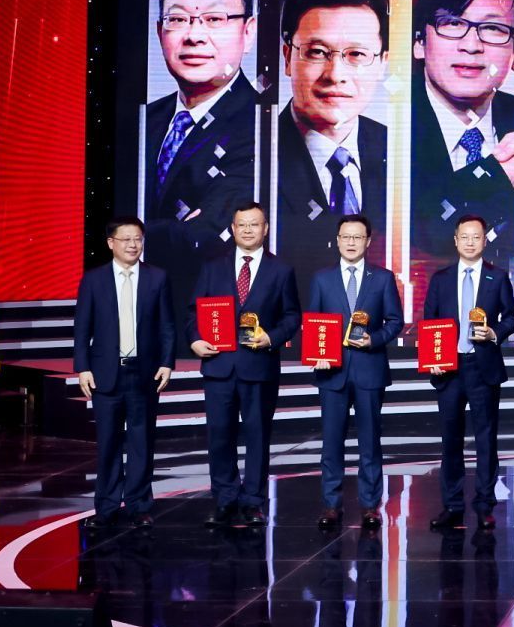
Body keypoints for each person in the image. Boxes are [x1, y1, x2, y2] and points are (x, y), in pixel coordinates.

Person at [140, 0, 262, 307]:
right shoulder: (146, 119)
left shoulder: (263, 125)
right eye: (178, 19)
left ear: (248, 31)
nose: (194, 35)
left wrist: (123, 232)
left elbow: (204, 236)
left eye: (214, 19)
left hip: (210, 314)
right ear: (159, 31)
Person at [184, 202, 301, 530]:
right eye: (242, 225)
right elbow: (193, 312)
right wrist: (195, 340)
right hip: (218, 364)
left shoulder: (281, 270)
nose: (248, 230)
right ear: (233, 229)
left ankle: (253, 502)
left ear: (266, 229)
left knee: (258, 436)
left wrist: (272, 338)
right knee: (219, 435)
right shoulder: (212, 267)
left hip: (259, 365)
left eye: (255, 224)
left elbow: (292, 316)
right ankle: (224, 499)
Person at [411, 0, 514, 262]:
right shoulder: (385, 126)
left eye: (493, 28)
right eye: (452, 24)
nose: (471, 45)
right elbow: (414, 230)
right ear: (419, 43)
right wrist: (492, 176)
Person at [276, 0, 390, 267]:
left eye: (356, 54)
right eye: (317, 52)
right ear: (287, 57)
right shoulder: (254, 154)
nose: (335, 75)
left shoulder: (401, 152)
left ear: (382, 63)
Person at [73, 215, 177, 529]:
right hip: (106, 373)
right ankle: (106, 507)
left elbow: (167, 325)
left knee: (141, 441)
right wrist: (82, 367)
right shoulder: (94, 280)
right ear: (111, 243)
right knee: (108, 442)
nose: (133, 245)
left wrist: (167, 362)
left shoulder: (157, 277)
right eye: (126, 239)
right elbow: (82, 328)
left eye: (138, 239)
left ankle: (139, 505)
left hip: (144, 373)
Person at [306, 214, 404, 532]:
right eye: (346, 237)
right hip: (332, 372)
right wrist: (317, 355)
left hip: (369, 370)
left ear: (368, 241)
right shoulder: (322, 279)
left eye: (357, 237)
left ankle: (370, 506)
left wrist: (374, 339)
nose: (351, 242)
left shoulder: (383, 278)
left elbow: (395, 321)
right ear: (337, 240)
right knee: (331, 442)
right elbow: (313, 323)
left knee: (370, 441)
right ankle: (330, 505)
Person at [423, 214, 514, 532]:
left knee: (486, 438)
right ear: (455, 240)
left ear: (484, 240)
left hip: (483, 367)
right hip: (449, 368)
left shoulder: (497, 277)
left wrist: (494, 333)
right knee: (450, 439)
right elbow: (430, 322)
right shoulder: (440, 279)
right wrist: (433, 357)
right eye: (464, 236)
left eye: (476, 237)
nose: (470, 242)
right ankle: (452, 505)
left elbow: (512, 317)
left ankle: (484, 504)